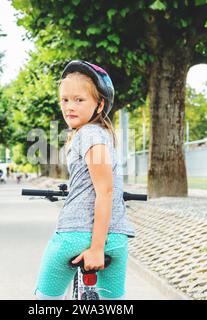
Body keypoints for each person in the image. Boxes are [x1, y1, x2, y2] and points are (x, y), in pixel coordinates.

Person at [33, 60, 136, 300]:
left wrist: (97, 247)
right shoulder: (100, 135)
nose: (69, 107)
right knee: (113, 302)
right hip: (117, 238)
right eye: (65, 100)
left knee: (45, 301)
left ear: (99, 105)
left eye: (79, 100)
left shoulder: (89, 134)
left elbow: (105, 191)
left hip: (75, 235)